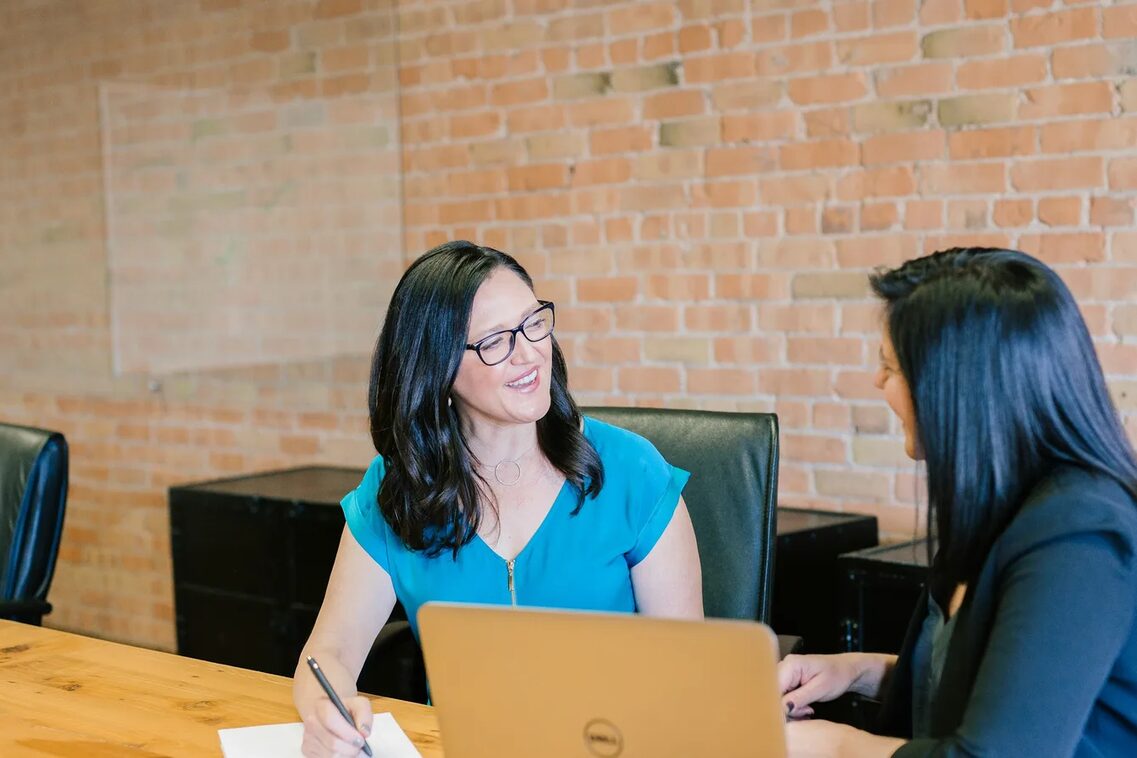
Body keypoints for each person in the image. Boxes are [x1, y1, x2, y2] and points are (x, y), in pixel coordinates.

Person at [293, 241, 703, 757]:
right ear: (437, 369)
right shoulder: (398, 491)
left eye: (534, 323)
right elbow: (328, 653)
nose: (530, 352)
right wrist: (327, 714)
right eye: (495, 341)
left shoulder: (631, 472)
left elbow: (688, 672)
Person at [779, 247, 1137, 756]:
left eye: (889, 366)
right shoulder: (1000, 508)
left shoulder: (1079, 536)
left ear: (955, 387)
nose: (877, 382)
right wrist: (852, 670)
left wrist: (834, 745)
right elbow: (985, 680)